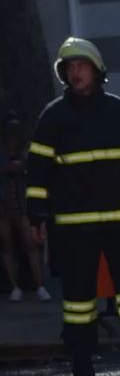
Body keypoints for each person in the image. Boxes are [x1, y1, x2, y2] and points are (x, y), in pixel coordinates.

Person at [26, 37, 120, 376]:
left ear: (96, 70)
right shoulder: (53, 116)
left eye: (82, 66)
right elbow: (38, 170)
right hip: (74, 224)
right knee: (78, 297)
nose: (76, 73)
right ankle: (81, 360)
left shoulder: (118, 109)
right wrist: (37, 214)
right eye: (70, 68)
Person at [0, 114, 51, 301]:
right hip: (5, 204)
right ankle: (16, 287)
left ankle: (39, 285)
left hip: (23, 202)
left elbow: (29, 167)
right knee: (8, 246)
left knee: (30, 245)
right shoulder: (5, 152)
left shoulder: (27, 150)